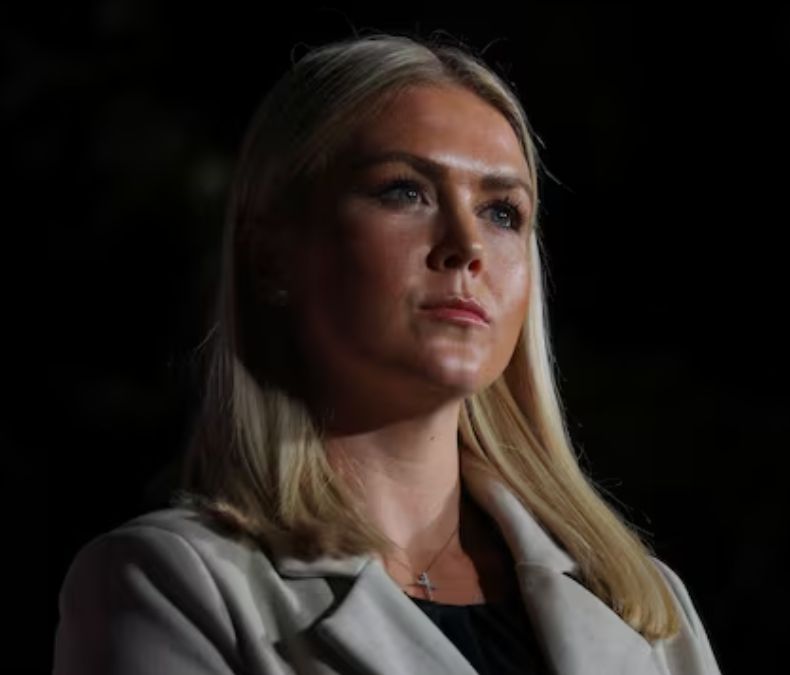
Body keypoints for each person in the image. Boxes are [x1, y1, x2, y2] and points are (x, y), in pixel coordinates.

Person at [51, 33, 722, 675]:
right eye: (405, 191)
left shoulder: (645, 606)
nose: (467, 245)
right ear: (271, 254)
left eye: (503, 211)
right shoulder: (171, 582)